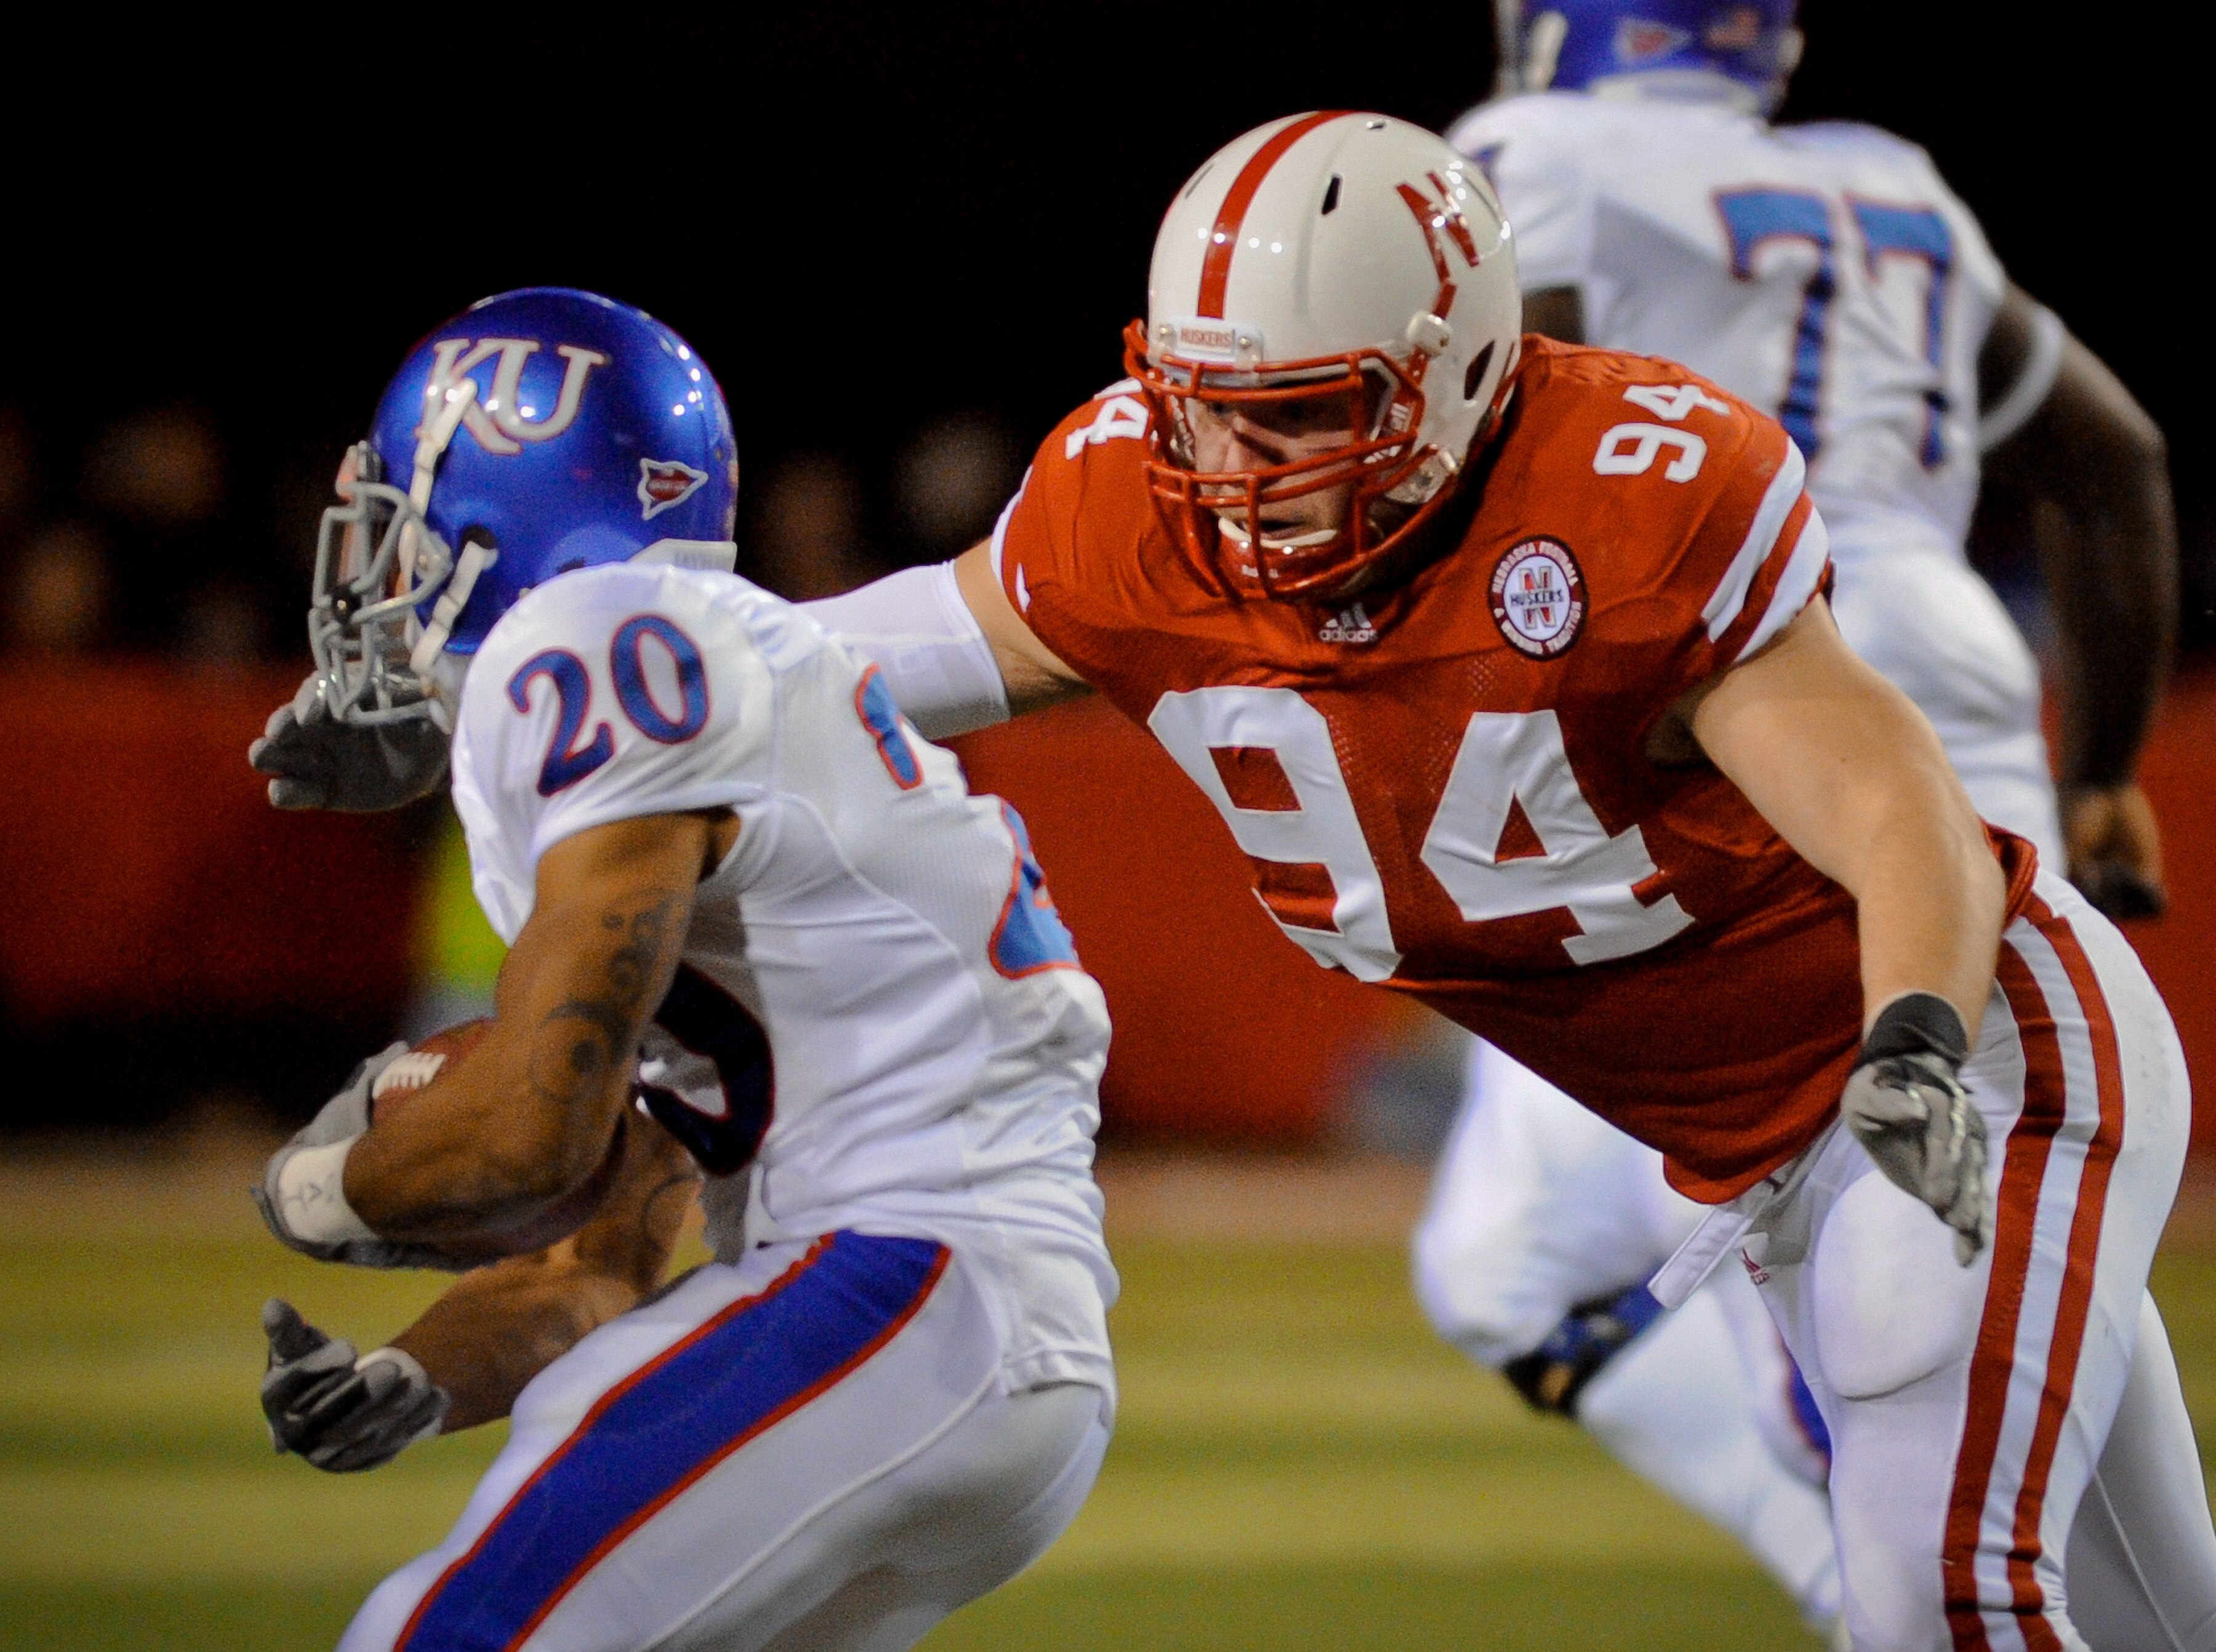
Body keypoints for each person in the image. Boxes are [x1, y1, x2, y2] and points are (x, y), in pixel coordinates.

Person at [247, 121, 2212, 1644]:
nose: (1236, 469)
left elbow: (1901, 817)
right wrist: (505, 692)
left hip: (1974, 1069)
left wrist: (1925, 1042)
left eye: (1296, 418)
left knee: (1925, 1571)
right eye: (1201, 409)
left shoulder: (1618, 498)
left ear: (1449, 375)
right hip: (1758, 1144)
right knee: (2154, 1612)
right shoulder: (1137, 515)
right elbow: (794, 674)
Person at [1403, 1, 2201, 1638]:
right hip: (1954, 690)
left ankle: (1875, 1575)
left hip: (1727, 689)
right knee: (2016, 1250)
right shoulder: (1890, 180)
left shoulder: (1532, 155)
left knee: (1812, 1250)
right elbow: (2114, 458)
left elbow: (1514, 434)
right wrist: (2110, 763)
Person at [249, 288, 1117, 1652]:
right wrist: (421, 1372)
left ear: (486, 517)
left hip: (895, 1287)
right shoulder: (720, 667)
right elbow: (622, 1235)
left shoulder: (588, 640)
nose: (385, 579)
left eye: (406, 536)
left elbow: (533, 1133)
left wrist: (317, 1183)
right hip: (985, 1351)